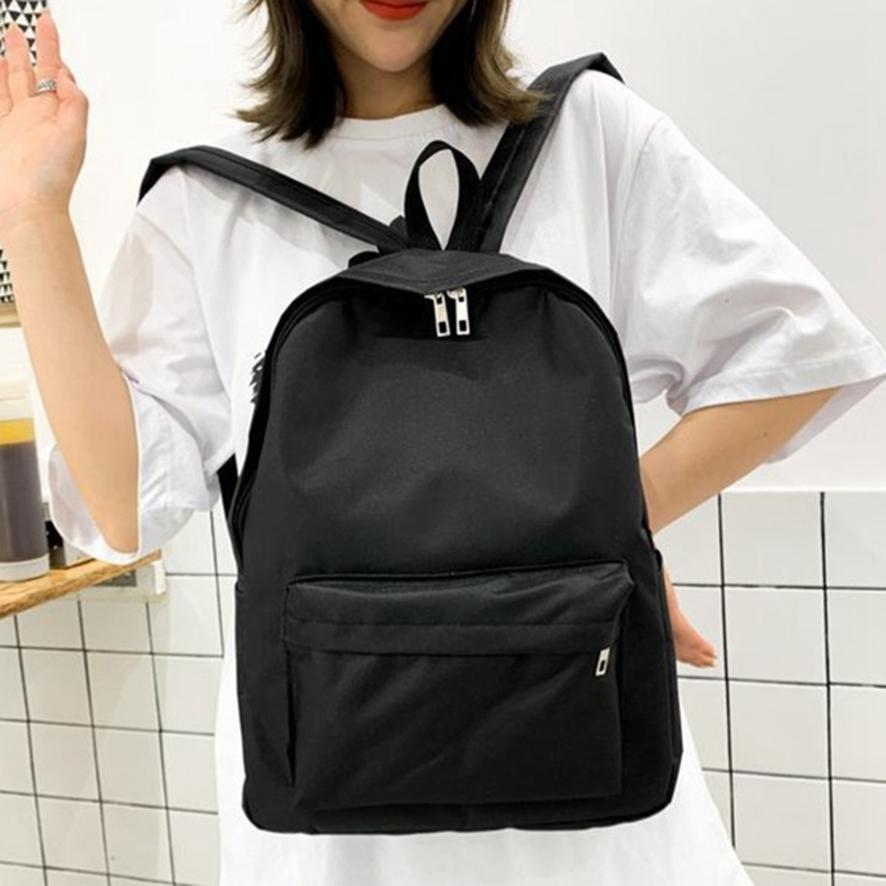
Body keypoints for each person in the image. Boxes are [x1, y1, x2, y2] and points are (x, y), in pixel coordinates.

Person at [2, 1, 885, 884]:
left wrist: (605, 527)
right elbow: (118, 511)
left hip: (600, 850)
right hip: (338, 853)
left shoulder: (589, 134)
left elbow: (801, 353)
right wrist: (33, 216)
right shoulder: (208, 203)